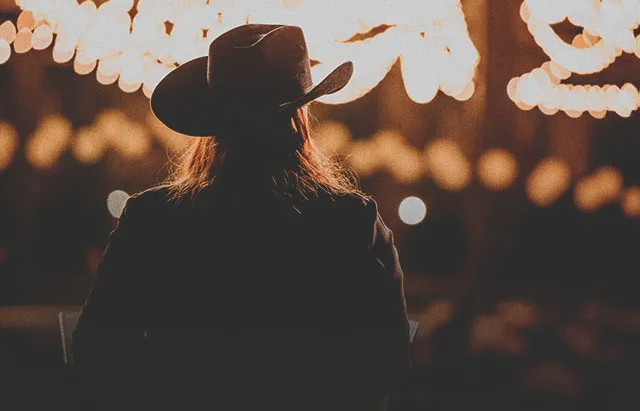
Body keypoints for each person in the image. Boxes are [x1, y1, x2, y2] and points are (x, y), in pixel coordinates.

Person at [71, 24, 412, 411]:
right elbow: (387, 362)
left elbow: (96, 351)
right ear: (300, 123)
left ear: (212, 126)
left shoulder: (153, 219)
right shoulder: (352, 221)